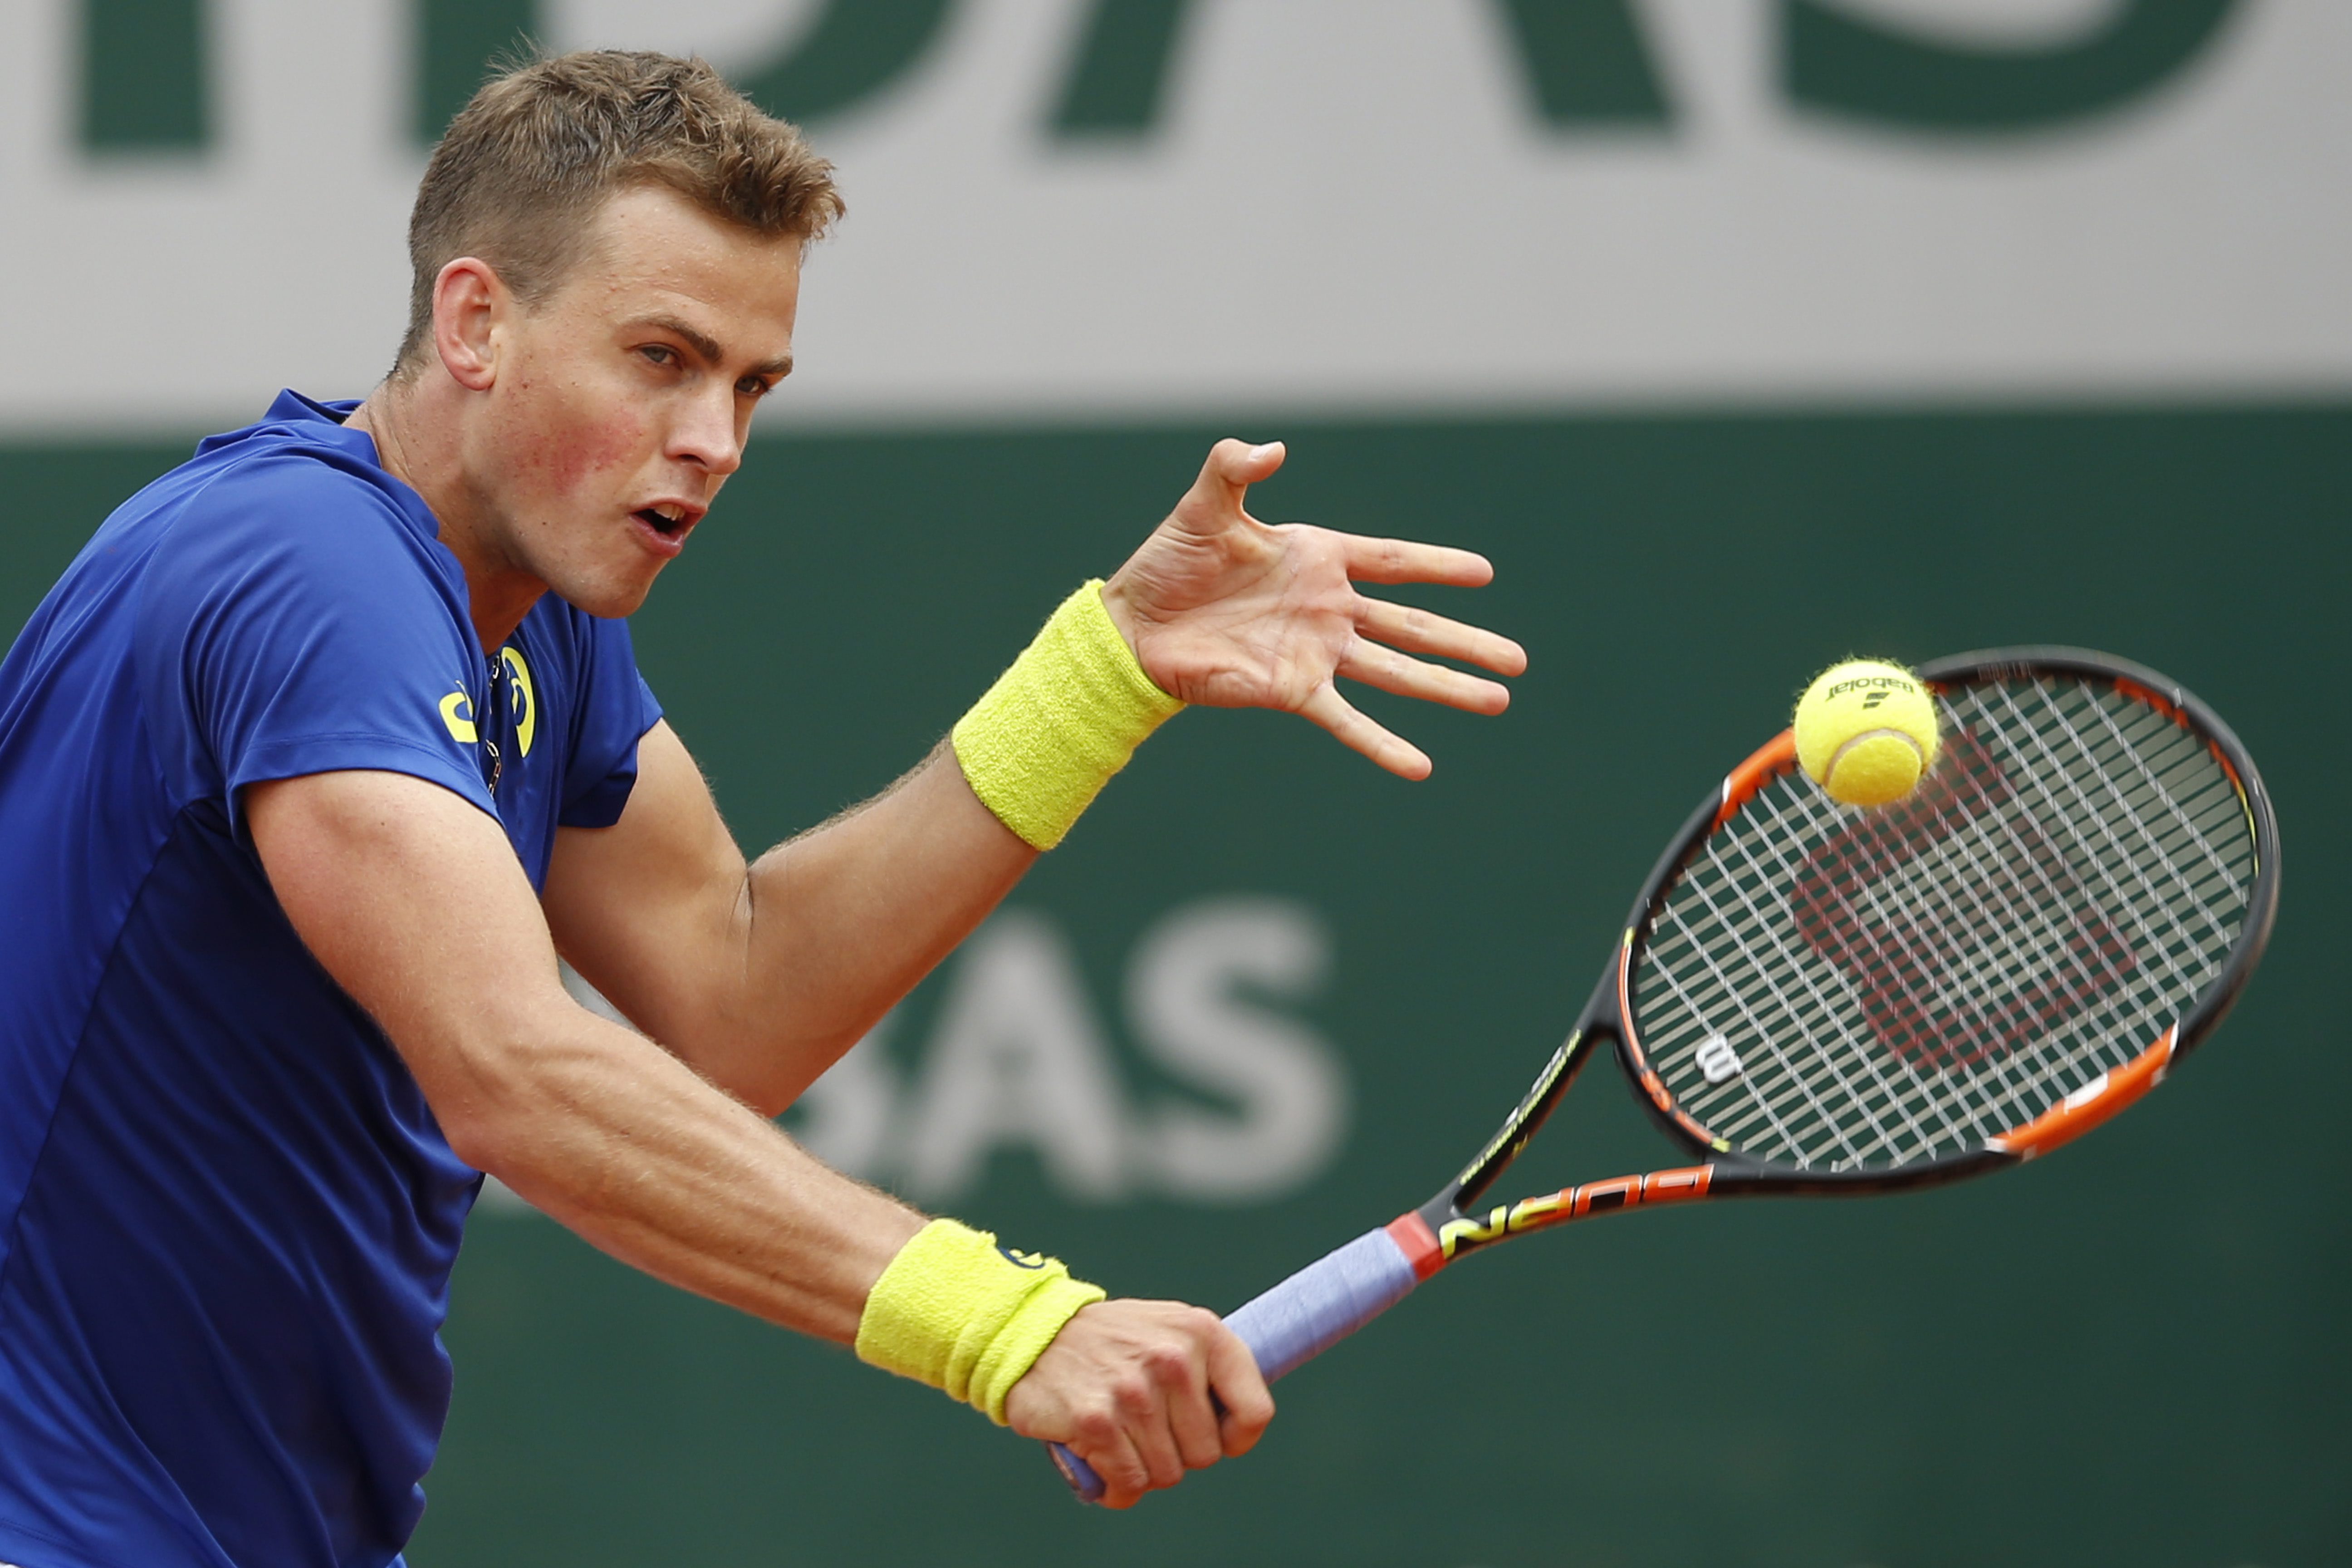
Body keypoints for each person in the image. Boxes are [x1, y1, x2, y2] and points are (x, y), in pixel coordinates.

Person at [0, 50, 1523, 1567]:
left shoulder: (530, 613)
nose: (715, 441)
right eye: (661, 358)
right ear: (474, 323)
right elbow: (513, 1066)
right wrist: (1007, 1324)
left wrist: (1102, 676)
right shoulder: (305, 564)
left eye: (750, 386)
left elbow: (734, 999)